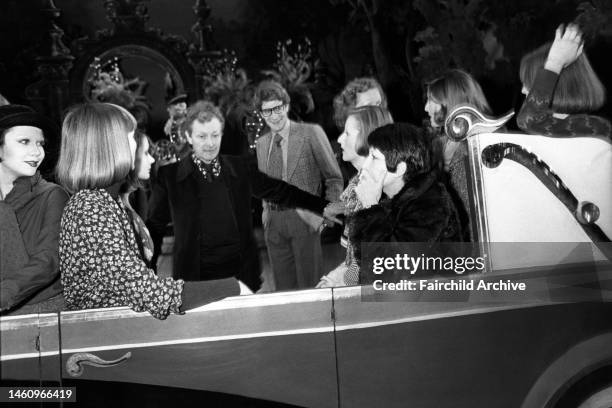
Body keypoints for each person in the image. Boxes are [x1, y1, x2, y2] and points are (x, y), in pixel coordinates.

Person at [57, 103, 244, 320]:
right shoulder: (89, 207)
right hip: (105, 340)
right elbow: (146, 291)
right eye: (130, 138)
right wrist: (232, 288)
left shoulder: (104, 201)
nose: (136, 146)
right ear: (107, 146)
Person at [147, 101, 333, 291]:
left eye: (215, 135)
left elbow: (280, 190)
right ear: (188, 136)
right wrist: (148, 276)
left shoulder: (240, 167)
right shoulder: (169, 177)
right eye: (202, 136)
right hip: (194, 280)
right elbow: (154, 228)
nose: (210, 143)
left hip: (241, 277)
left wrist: (323, 206)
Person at [254, 80, 343, 290]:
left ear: (286, 106)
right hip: (273, 223)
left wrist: (324, 214)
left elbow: (333, 177)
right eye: (267, 111)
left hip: (304, 217)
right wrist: (265, 212)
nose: (274, 116)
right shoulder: (261, 143)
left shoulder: (310, 133)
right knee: (284, 291)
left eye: (277, 108)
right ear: (261, 113)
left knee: (310, 288)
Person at [349, 123, 463, 283]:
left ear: (400, 169)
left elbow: (389, 273)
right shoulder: (393, 199)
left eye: (374, 158)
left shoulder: (430, 204)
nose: (365, 166)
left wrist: (370, 208)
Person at [0, 105, 68, 313]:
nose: (37, 152)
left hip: (43, 312)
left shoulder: (52, 195)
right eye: (24, 141)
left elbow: (48, 260)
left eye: (40, 144)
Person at [317, 106, 394, 288]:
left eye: (347, 133)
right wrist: (334, 278)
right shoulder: (356, 187)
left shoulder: (381, 193)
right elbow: (353, 261)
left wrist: (340, 282)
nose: (339, 139)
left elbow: (374, 262)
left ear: (367, 137)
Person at [424, 69, 492, 241]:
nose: (426, 108)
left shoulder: (472, 149)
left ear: (449, 103)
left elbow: (472, 214)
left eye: (431, 101)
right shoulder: (442, 143)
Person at [517, 23, 610, 139]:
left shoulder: (597, 128)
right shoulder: (554, 127)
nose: (523, 90)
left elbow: (528, 121)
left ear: (559, 84)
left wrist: (555, 62)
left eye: (530, 82)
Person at [120, 130, 156, 266]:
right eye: (146, 153)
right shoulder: (115, 205)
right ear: (131, 156)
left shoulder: (134, 194)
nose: (152, 159)